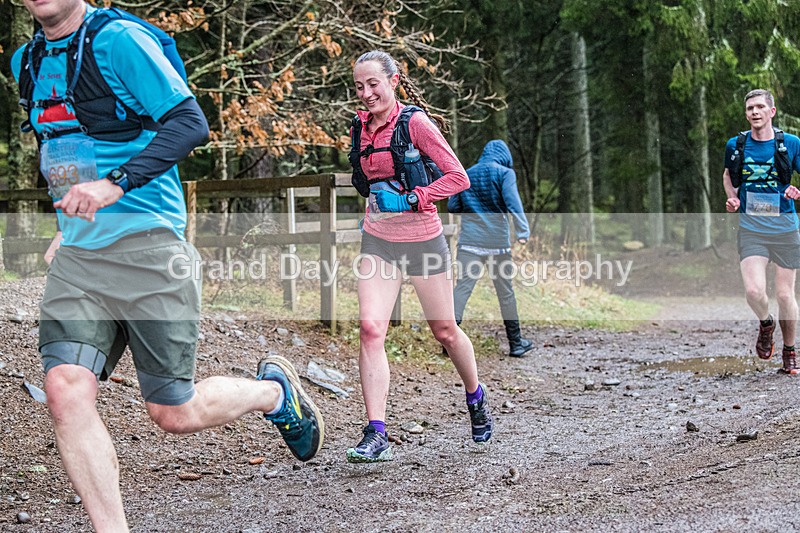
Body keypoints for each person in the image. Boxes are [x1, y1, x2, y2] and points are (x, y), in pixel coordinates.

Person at [12, 0, 323, 530]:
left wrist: (114, 186)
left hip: (151, 246)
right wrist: (68, 229)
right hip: (80, 257)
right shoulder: (27, 59)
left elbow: (188, 123)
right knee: (65, 390)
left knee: (173, 411)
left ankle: (274, 392)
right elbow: (61, 148)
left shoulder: (118, 42)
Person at [345, 50, 493, 463]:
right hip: (379, 241)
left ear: (394, 81)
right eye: (359, 86)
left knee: (445, 331)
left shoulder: (415, 123)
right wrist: (377, 207)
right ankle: (376, 432)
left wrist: (414, 196)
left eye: (373, 83)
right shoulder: (359, 129)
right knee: (371, 330)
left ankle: (475, 396)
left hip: (424, 240)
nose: (366, 92)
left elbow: (457, 177)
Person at [723, 88, 800, 374]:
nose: (754, 112)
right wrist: (732, 196)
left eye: (759, 107)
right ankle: (766, 324)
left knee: (784, 295)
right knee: (754, 291)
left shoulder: (790, 143)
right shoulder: (736, 145)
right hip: (752, 228)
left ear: (772, 111)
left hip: (785, 229)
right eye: (749, 109)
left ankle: (790, 351)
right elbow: (728, 175)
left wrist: (796, 190)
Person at [448, 139, 534, 357]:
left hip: (469, 243)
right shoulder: (505, 174)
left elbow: (453, 206)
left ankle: (449, 343)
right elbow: (513, 203)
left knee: (462, 289)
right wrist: (523, 232)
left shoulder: (467, 173)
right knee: (505, 293)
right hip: (497, 244)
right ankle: (516, 343)